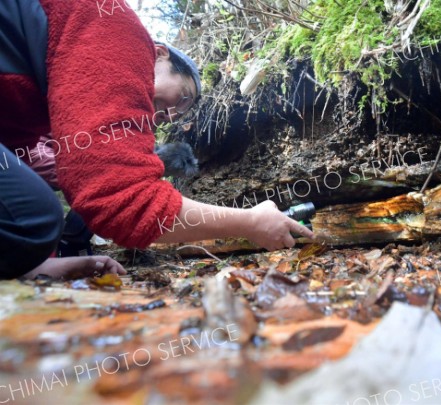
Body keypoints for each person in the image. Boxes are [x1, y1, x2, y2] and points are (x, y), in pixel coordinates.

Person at [0, 0, 313, 280]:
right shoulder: (114, 27)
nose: (172, 116)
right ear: (159, 53)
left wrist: (36, 265)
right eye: (183, 97)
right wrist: (249, 222)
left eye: (181, 114)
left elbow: (26, 162)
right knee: (33, 220)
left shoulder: (52, 87)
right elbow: (120, 202)